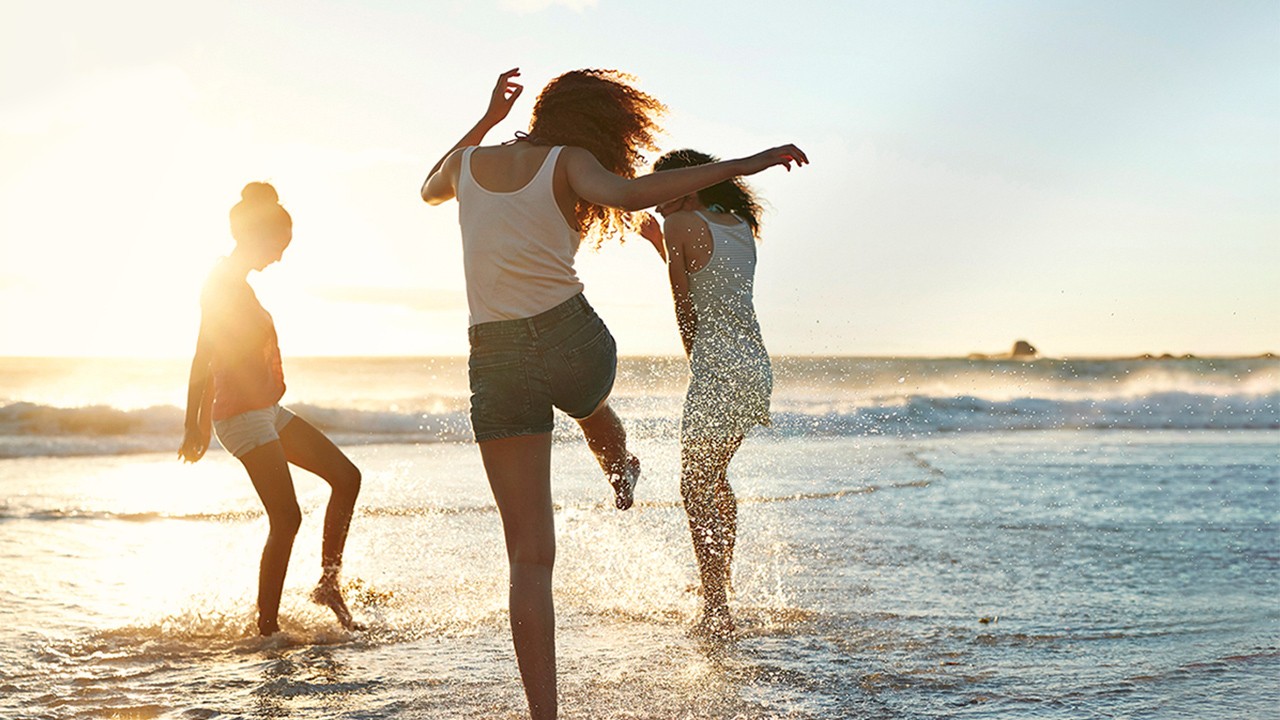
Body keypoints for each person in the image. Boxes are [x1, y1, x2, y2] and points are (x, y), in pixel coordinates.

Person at [420, 68, 806, 719]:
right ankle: (617, 460)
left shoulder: (466, 163)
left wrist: (486, 119)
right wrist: (753, 161)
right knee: (586, 400)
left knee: (529, 560)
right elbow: (634, 193)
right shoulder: (571, 162)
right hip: (573, 342)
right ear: (599, 125)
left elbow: (429, 187)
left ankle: (546, 714)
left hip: (495, 359)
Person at [179, 182, 362, 637]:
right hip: (239, 415)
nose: (279, 257)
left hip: (264, 409)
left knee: (346, 477)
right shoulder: (221, 283)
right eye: (279, 246)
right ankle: (267, 629)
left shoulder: (237, 283)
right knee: (287, 517)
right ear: (257, 237)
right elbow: (202, 358)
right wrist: (193, 426)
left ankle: (327, 585)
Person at [641, 149, 775, 639]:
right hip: (754, 366)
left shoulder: (681, 226)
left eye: (660, 193)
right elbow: (707, 277)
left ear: (689, 187)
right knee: (713, 478)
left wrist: (695, 361)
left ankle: (716, 607)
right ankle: (720, 590)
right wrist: (660, 243)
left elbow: (684, 300)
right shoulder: (738, 224)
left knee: (694, 485)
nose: (653, 204)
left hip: (718, 366)